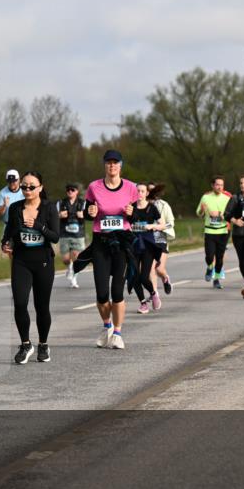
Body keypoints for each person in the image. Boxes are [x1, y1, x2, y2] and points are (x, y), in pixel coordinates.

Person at [78, 150, 137, 350]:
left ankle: (118, 333)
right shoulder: (94, 187)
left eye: (115, 162)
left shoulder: (130, 187)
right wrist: (90, 212)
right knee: (102, 294)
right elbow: (88, 213)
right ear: (104, 165)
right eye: (109, 162)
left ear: (121, 165)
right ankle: (107, 326)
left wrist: (132, 213)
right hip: (101, 243)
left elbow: (136, 215)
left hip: (122, 243)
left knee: (117, 292)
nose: (112, 166)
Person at [1, 171, 59, 364]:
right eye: (24, 186)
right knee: (19, 303)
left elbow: (55, 237)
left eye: (31, 187)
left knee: (41, 306)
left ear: (40, 188)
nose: (27, 189)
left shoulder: (49, 208)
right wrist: (5, 244)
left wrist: (38, 226)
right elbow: (9, 232)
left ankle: (43, 344)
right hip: (21, 261)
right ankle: (25, 344)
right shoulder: (16, 207)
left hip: (43, 262)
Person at [130, 182, 165, 313]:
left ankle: (153, 293)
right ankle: (143, 303)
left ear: (147, 193)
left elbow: (162, 225)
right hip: (133, 244)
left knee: (144, 277)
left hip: (147, 245)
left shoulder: (152, 208)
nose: (139, 193)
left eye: (142, 191)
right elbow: (125, 223)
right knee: (134, 276)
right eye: (137, 191)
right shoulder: (130, 207)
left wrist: (152, 226)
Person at [197, 176, 231, 289]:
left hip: (223, 231)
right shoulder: (205, 197)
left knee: (220, 258)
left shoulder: (227, 198)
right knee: (209, 256)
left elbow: (231, 214)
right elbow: (198, 213)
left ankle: (216, 279)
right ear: (212, 185)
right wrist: (202, 210)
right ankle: (210, 267)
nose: (220, 187)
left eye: (221, 185)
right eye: (217, 185)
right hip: (210, 231)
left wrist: (221, 215)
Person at [57, 182, 87, 289]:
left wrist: (82, 215)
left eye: (72, 190)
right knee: (66, 259)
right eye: (68, 190)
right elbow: (53, 215)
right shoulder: (61, 202)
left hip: (78, 234)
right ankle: (70, 267)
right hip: (64, 233)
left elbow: (89, 215)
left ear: (77, 192)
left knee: (76, 256)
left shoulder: (83, 203)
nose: (70, 191)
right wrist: (59, 215)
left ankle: (73, 278)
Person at [148, 182, 176, 295]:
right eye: (148, 190)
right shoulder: (140, 205)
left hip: (161, 239)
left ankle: (165, 278)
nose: (151, 193)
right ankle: (154, 294)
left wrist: (160, 227)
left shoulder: (164, 205)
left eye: (153, 191)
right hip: (147, 240)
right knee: (150, 268)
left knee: (159, 269)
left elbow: (171, 223)